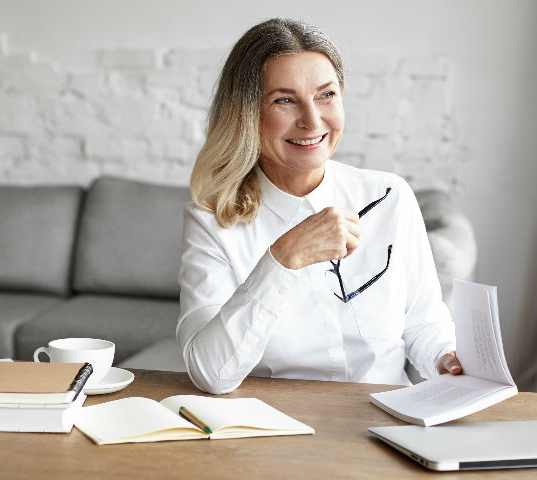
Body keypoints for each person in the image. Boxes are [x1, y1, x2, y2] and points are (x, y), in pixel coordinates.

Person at [177, 18, 462, 395]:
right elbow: (211, 374)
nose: (312, 121)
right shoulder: (213, 221)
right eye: (284, 100)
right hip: (279, 430)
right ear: (246, 112)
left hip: (387, 421)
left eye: (326, 95)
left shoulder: (390, 197)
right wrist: (282, 259)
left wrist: (446, 358)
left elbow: (424, 324)